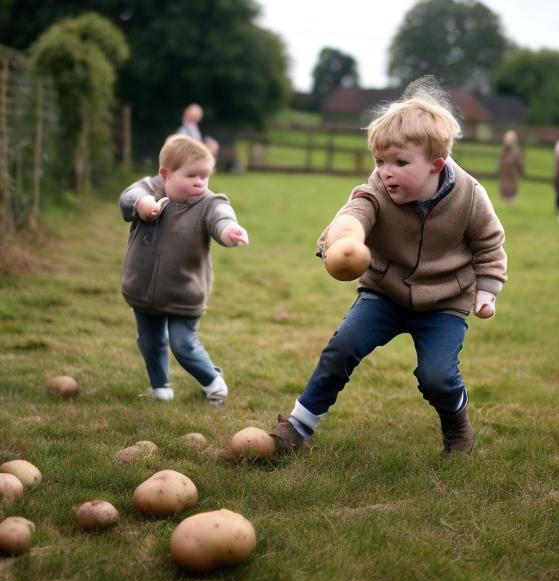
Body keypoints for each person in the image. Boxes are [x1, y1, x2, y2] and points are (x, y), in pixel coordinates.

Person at [267, 79, 507, 456]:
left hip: (445, 302)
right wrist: (343, 241)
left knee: (437, 377)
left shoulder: (470, 195)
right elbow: (353, 216)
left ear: (435, 165)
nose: (386, 172)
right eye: (380, 162)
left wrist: (487, 291)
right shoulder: (377, 189)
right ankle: (298, 425)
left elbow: (489, 243)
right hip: (385, 292)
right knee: (342, 347)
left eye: (399, 162)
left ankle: (456, 424)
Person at [119, 135, 249, 403]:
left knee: (183, 344)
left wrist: (229, 231)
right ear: (166, 174)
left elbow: (221, 216)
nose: (200, 182)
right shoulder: (149, 191)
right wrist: (141, 205)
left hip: (184, 292)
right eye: (192, 175)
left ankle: (214, 383)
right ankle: (160, 388)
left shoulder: (208, 203)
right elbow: (129, 196)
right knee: (149, 342)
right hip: (144, 289)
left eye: (205, 176)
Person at [497, 129, 524, 202]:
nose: (506, 141)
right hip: (504, 177)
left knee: (511, 192)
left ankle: (511, 202)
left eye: (509, 139)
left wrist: (521, 172)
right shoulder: (504, 151)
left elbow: (519, 165)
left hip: (512, 177)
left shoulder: (516, 151)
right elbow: (500, 163)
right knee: (504, 190)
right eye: (506, 138)